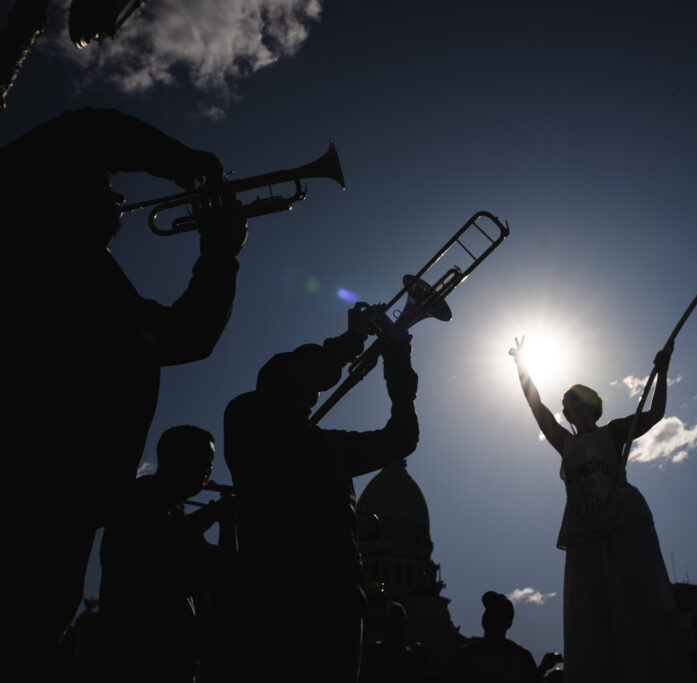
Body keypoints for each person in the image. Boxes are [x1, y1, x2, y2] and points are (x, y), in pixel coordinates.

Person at [2, 107, 247, 681]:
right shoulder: (23, 241)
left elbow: (189, 336)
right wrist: (187, 164)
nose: (117, 198)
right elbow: (87, 130)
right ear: (57, 193)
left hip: (67, 520)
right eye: (104, 185)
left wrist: (220, 253)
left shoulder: (106, 288)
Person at [220, 304, 419, 683]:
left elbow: (401, 439)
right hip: (274, 596)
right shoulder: (247, 415)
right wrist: (351, 340)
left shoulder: (327, 446)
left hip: (338, 600)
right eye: (305, 379)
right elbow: (310, 373)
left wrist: (398, 364)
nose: (313, 391)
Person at [509, 337, 683, 682]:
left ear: (589, 404)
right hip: (584, 530)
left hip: (623, 520)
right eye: (564, 403)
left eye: (571, 400)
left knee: (634, 602)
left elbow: (657, 413)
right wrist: (522, 367)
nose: (565, 406)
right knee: (589, 616)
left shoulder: (614, 432)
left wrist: (662, 371)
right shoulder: (565, 442)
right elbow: (536, 408)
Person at [97, 425, 236, 683]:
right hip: (134, 660)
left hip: (174, 664)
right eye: (202, 457)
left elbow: (221, 571)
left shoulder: (176, 512)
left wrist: (229, 522)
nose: (208, 467)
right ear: (173, 456)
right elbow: (159, 544)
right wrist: (215, 514)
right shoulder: (142, 494)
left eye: (211, 461)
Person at [445, 591, 542, 683]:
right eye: (489, 610)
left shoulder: (521, 657)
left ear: (508, 622)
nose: (490, 615)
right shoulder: (464, 656)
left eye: (497, 612)